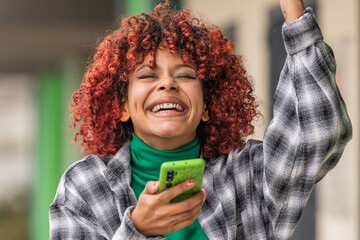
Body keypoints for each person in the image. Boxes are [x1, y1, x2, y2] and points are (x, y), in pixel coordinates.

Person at [49, 0, 352, 239]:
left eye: (185, 75)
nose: (167, 84)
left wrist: (295, 16)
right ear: (123, 105)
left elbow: (318, 130)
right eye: (147, 75)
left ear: (207, 105)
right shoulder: (84, 186)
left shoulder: (247, 174)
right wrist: (137, 230)